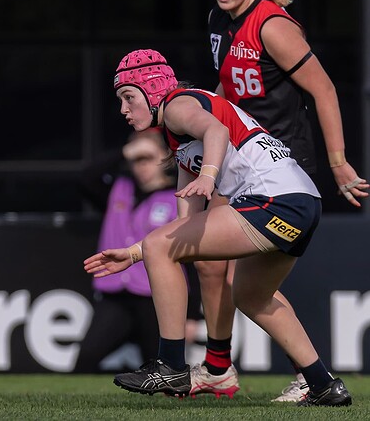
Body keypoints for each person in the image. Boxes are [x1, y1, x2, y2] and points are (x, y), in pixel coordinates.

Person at [83, 48, 352, 407]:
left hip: (274, 200)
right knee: (251, 296)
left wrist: (208, 177)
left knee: (163, 247)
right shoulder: (180, 140)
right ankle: (323, 385)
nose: (123, 109)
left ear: (153, 88)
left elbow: (216, 130)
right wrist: (136, 253)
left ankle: (171, 365)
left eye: (129, 97)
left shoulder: (177, 105)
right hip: (303, 202)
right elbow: (181, 230)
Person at [189, 0, 368, 401]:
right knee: (208, 262)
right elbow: (228, 90)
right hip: (241, 157)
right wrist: (202, 132)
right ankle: (218, 368)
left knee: (248, 285)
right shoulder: (217, 20)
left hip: (281, 164)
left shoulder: (270, 24)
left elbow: (324, 90)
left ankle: (310, 377)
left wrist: (338, 163)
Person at [74, 130, 186, 373]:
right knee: (85, 359)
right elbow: (85, 177)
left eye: (147, 158)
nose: (142, 166)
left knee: (161, 367)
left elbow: (189, 259)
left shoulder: (177, 197)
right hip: (116, 296)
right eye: (136, 159)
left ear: (163, 157)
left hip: (155, 297)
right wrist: (125, 151)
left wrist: (193, 315)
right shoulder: (119, 189)